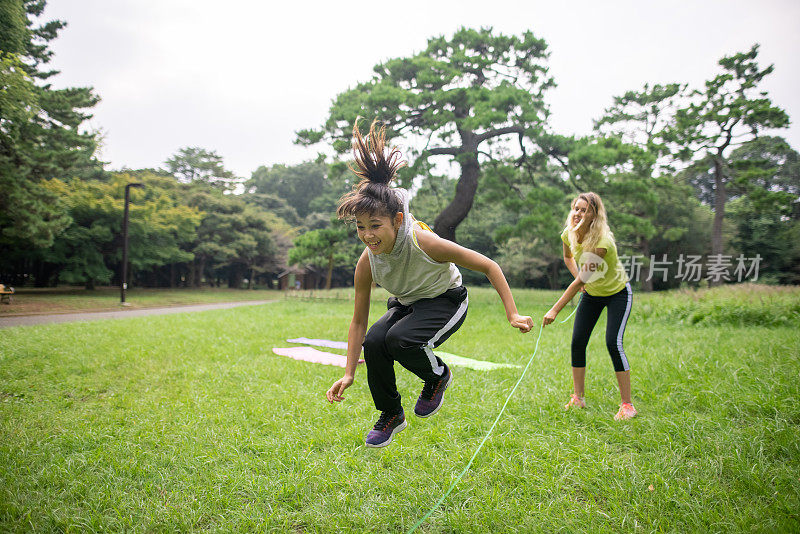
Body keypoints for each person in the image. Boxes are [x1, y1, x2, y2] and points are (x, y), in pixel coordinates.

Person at [326, 119, 534, 448]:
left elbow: (489, 266)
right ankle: (391, 414)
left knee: (398, 339)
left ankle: (437, 377)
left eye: (375, 225)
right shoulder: (367, 261)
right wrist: (350, 373)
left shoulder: (425, 242)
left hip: (446, 300)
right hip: (408, 304)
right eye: (361, 227)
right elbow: (358, 321)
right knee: (376, 340)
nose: (368, 235)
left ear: (396, 220)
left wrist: (512, 314)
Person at [542, 192, 638, 421]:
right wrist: (580, 277)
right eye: (576, 208)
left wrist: (555, 310)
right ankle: (578, 397)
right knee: (577, 342)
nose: (578, 213)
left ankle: (627, 405)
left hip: (617, 294)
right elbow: (569, 260)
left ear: (594, 214)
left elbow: (579, 282)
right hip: (592, 294)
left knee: (613, 343)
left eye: (584, 210)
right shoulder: (568, 234)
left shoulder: (602, 242)